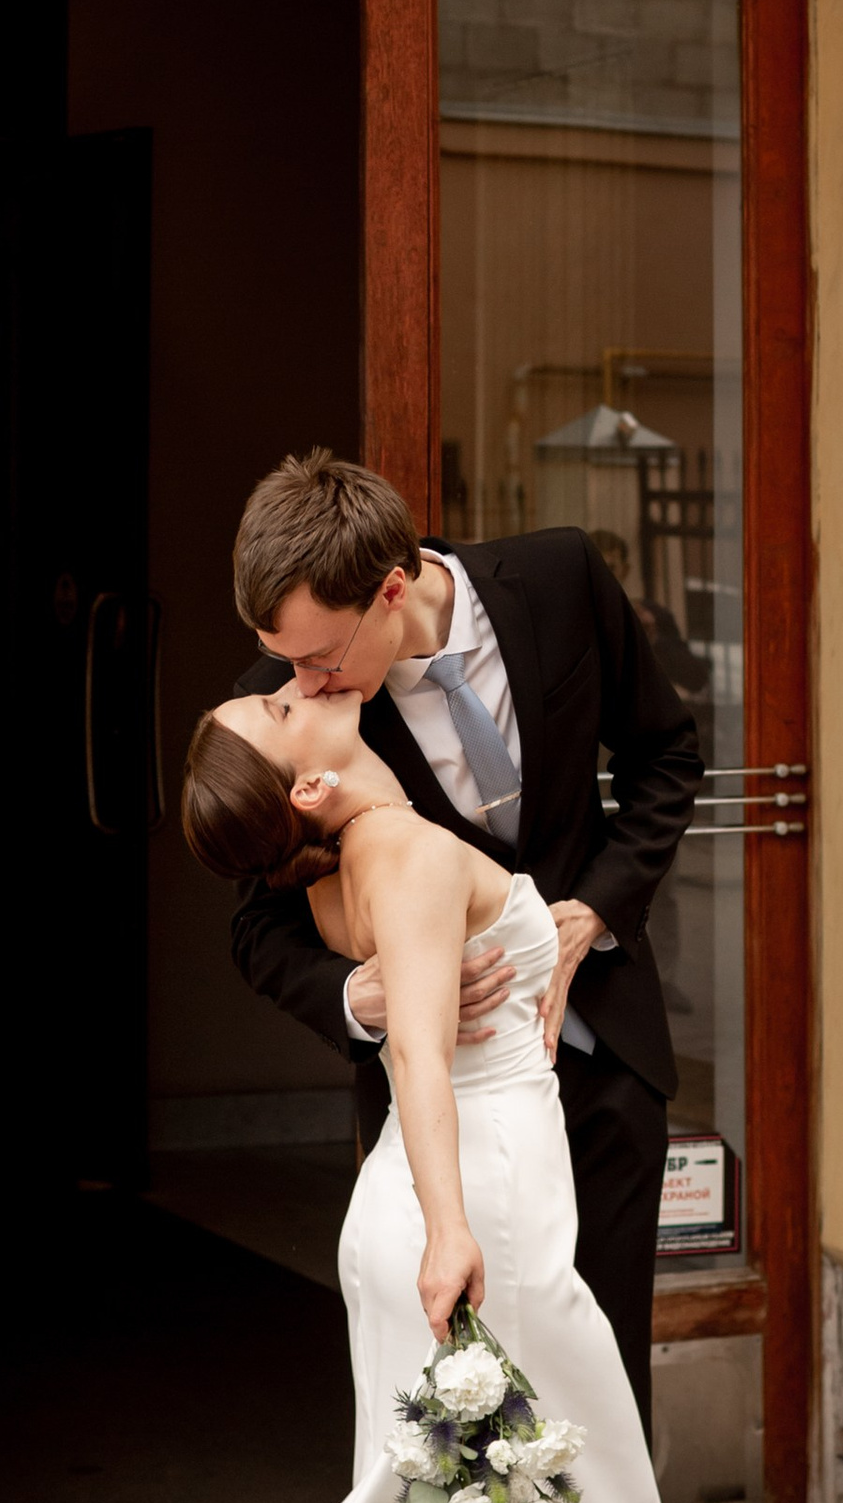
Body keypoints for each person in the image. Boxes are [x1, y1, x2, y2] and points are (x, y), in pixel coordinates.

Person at [101, 679, 753, 1503]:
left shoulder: (362, 854)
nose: (298, 685)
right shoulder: (389, 854)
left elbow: (418, 977)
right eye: (278, 704)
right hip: (465, 1217)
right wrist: (453, 1227)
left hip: (465, 1207)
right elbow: (418, 1060)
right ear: (304, 784)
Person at [224, 452, 700, 1440]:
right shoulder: (289, 714)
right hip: (445, 1113)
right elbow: (253, 923)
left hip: (604, 1063)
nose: (301, 683)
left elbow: (665, 756)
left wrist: (598, 908)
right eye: (286, 661)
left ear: (392, 588)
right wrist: (356, 998)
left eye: (319, 656)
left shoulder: (563, 578)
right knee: (465, 1423)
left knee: (607, 1399)